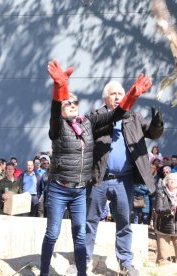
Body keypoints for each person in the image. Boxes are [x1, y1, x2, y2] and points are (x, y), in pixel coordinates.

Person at [40, 59, 150, 276]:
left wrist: (132, 95)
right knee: (53, 233)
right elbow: (55, 111)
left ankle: (83, 271)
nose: (71, 104)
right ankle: (44, 272)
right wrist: (60, 88)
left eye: (75, 102)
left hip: (80, 190)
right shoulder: (58, 126)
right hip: (60, 189)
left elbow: (116, 114)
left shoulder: (88, 122)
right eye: (67, 103)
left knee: (80, 233)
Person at [85, 79, 163, 275]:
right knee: (90, 221)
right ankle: (84, 259)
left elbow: (152, 133)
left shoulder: (133, 117)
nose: (118, 97)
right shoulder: (96, 116)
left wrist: (157, 123)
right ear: (106, 98)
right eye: (114, 94)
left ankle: (125, 263)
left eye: (121, 94)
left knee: (124, 223)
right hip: (98, 179)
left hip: (124, 180)